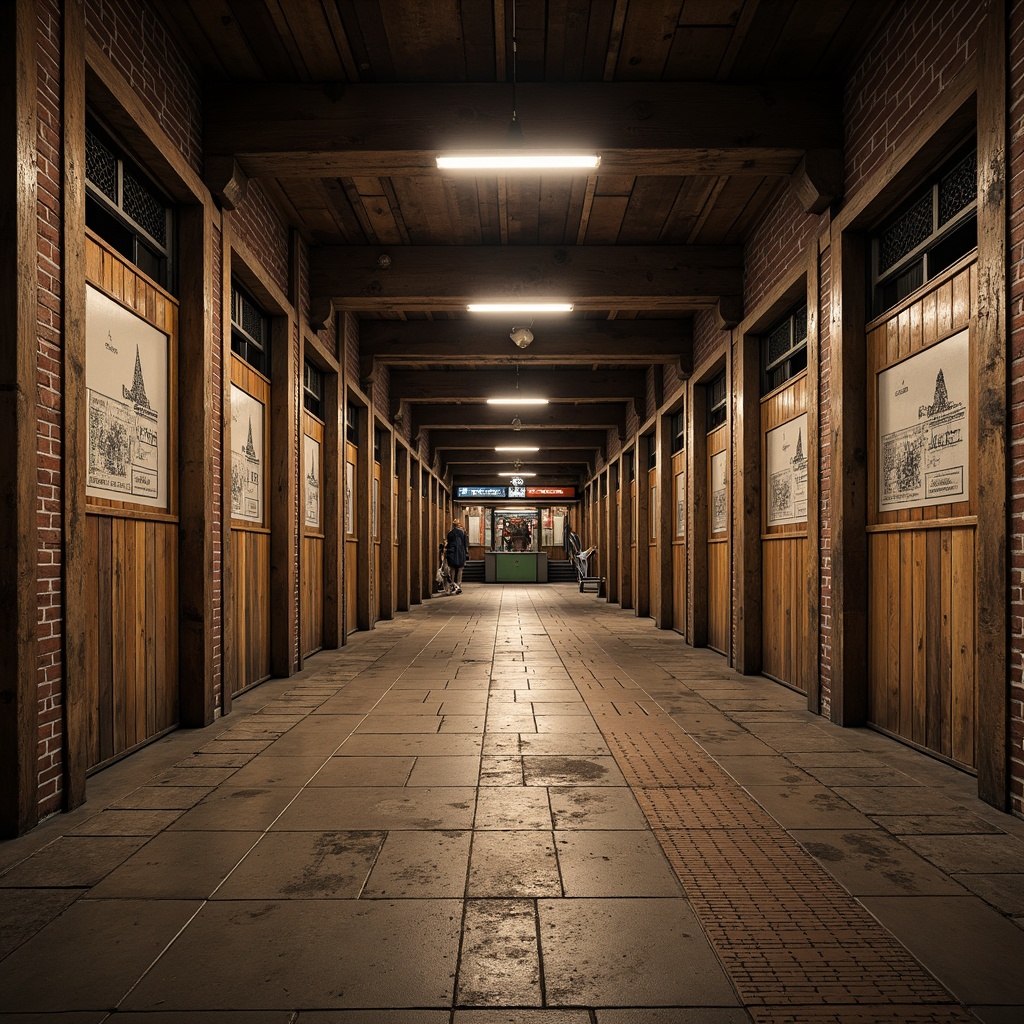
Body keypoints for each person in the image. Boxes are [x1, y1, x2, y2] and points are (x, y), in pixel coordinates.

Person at [445, 519, 468, 594]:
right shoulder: (462, 533)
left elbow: (448, 544)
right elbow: (465, 543)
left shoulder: (450, 533)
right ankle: (459, 585)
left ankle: (452, 585)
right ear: (458, 525)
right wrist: (466, 553)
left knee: (452, 569)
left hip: (452, 552)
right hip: (461, 552)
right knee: (460, 569)